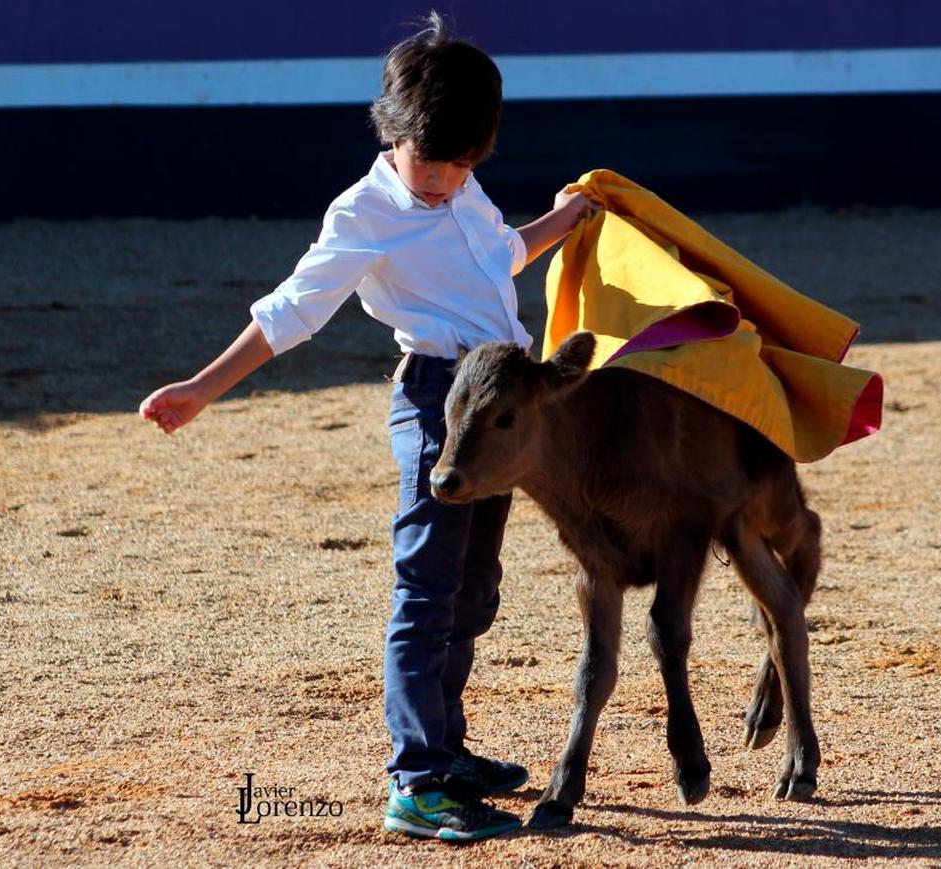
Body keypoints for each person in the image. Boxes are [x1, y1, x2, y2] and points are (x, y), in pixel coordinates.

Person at [139, 13, 598, 843]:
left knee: (472, 591)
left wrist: (560, 223)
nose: (448, 179)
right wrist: (203, 387)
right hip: (438, 406)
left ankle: (445, 748)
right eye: (437, 162)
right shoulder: (361, 213)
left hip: (502, 408)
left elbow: (494, 259)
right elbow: (293, 312)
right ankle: (415, 782)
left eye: (465, 164)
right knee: (426, 595)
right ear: (394, 131)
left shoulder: (462, 186)